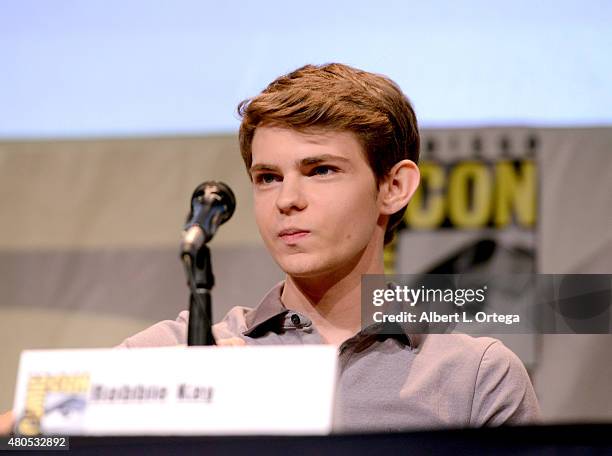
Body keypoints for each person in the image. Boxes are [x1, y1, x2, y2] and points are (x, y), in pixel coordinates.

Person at [1, 63, 540, 435]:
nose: (287, 200)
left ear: (393, 186)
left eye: (321, 170)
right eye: (266, 177)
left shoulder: (473, 377)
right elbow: (28, 442)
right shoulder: (178, 355)